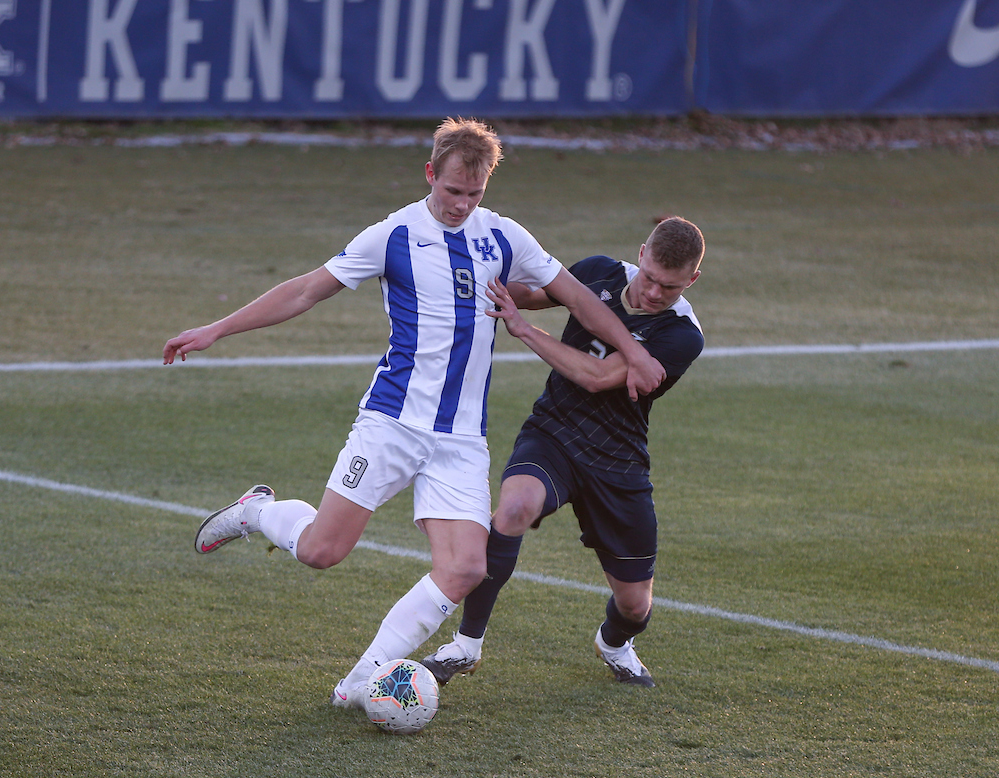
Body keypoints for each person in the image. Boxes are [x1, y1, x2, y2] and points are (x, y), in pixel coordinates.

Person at [162, 118, 666, 708]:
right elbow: (305, 290)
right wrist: (218, 328)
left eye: (474, 194)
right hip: (391, 423)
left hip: (459, 441)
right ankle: (260, 512)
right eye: (452, 191)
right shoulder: (394, 234)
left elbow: (578, 296)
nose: (461, 204)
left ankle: (359, 684)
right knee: (323, 551)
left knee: (466, 568)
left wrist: (633, 351)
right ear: (431, 174)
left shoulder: (503, 237)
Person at [420, 216, 705, 688]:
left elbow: (595, 377)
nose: (655, 293)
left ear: (692, 280)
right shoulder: (598, 272)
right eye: (650, 278)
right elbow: (531, 294)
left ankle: (614, 643)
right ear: (640, 254)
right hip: (554, 431)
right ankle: (465, 646)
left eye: (670, 287)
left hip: (618, 461)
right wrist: (471, 280)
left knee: (635, 607)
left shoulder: (681, 335)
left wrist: (525, 331)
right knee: (513, 508)